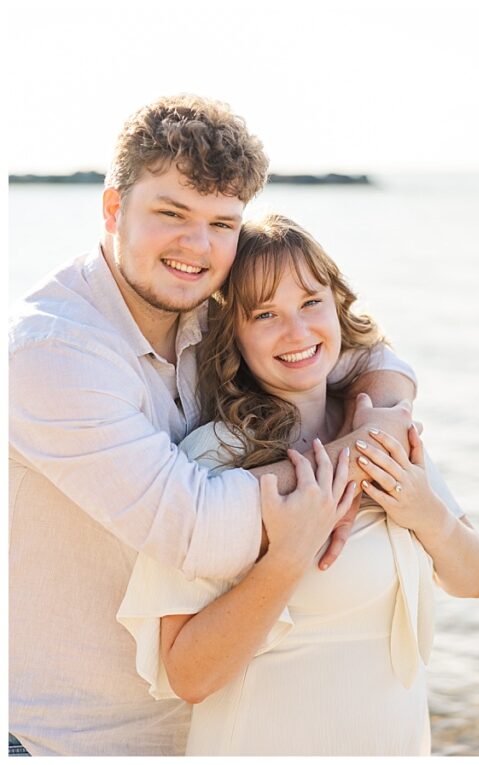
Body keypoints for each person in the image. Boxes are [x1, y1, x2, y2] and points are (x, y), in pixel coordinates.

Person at [8, 95, 419, 756]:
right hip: (74, 740)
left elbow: (365, 351)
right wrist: (360, 456)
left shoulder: (209, 309)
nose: (197, 248)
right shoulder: (51, 351)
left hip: (218, 733)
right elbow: (198, 528)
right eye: (171, 214)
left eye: (222, 224)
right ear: (114, 209)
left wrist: (388, 408)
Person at [116, 214, 479, 755]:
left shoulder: (380, 425)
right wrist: (286, 557)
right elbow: (188, 675)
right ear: (233, 336)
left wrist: (424, 511)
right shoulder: (214, 457)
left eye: (311, 303)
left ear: (338, 308)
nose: (297, 332)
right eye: (265, 314)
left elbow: (473, 579)